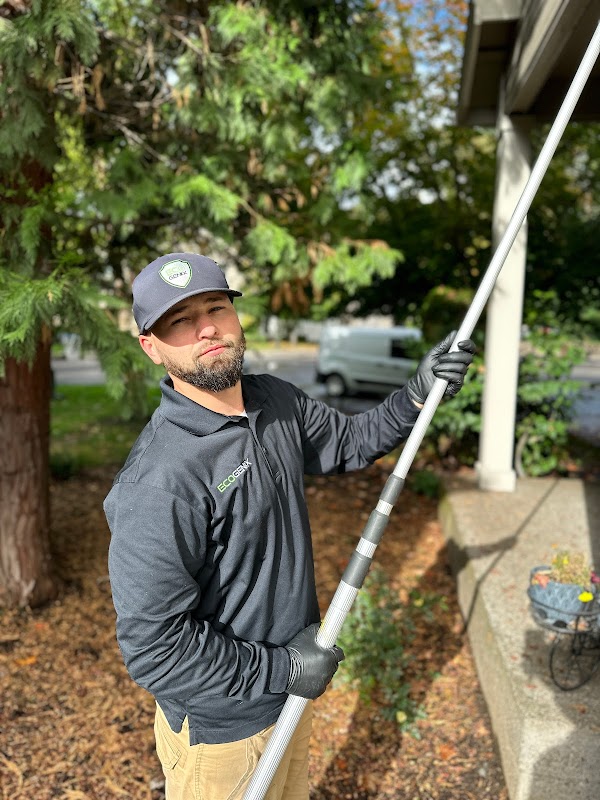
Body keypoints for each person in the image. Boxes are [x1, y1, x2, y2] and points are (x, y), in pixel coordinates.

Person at [104, 252, 475, 800]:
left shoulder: (273, 400)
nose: (206, 329)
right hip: (224, 733)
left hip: (292, 698)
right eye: (179, 321)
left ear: (236, 316)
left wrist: (417, 394)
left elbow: (349, 442)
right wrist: (284, 669)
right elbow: (153, 647)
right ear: (151, 346)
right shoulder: (159, 479)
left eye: (216, 308)